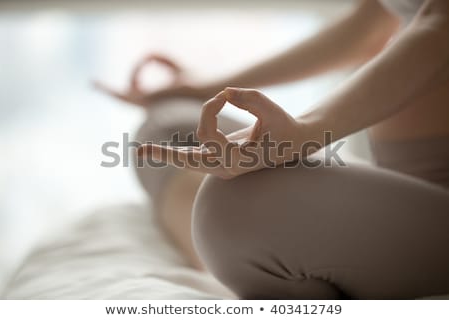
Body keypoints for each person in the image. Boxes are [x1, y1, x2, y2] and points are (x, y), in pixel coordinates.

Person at [95, 0, 449, 299]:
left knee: (233, 205)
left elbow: (439, 26)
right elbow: (370, 27)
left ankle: (256, 262)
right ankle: (250, 263)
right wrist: (200, 88)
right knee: (169, 123)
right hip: (409, 181)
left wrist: (304, 132)